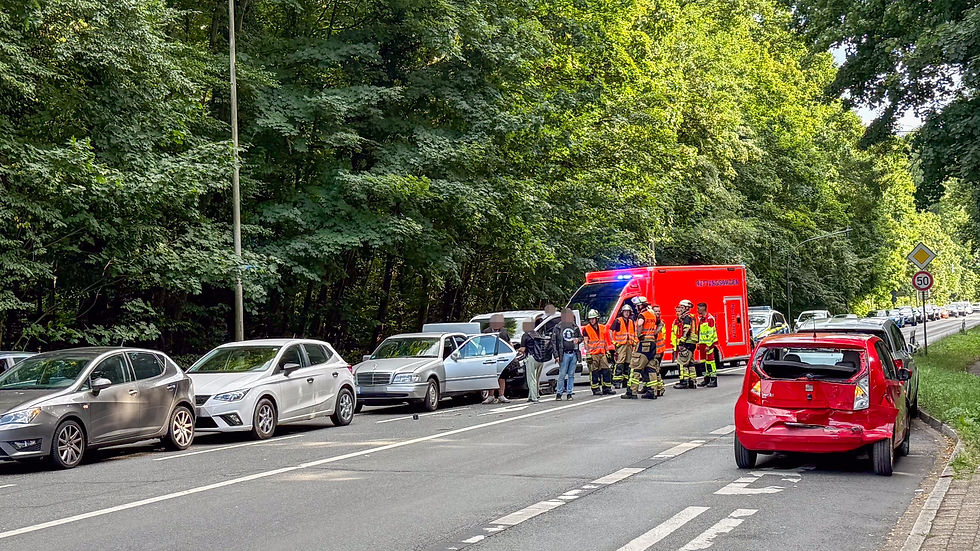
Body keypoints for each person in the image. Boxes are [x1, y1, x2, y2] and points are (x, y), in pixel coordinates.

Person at [622, 297, 664, 399]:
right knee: (651, 368)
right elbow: (661, 324)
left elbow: (640, 324)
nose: (636, 308)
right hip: (652, 344)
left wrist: (639, 334)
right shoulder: (652, 314)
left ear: (641, 305)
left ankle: (632, 391)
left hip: (644, 343)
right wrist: (654, 333)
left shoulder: (642, 315)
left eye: (637, 306)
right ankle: (653, 391)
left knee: (635, 366)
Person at [552, 308, 582, 400]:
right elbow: (554, 342)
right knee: (562, 374)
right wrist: (556, 355)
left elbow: (580, 337)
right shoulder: (558, 327)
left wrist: (579, 340)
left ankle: (569, 393)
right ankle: (559, 393)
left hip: (573, 353)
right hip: (563, 353)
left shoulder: (574, 326)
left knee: (571, 374)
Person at [582, 309, 615, 395]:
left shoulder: (602, 327)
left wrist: (607, 351)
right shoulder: (586, 329)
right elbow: (586, 342)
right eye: (590, 319)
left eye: (593, 318)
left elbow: (605, 340)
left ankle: (607, 388)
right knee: (594, 372)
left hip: (602, 352)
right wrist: (588, 354)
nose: (592, 320)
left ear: (597, 319)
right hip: (593, 354)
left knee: (606, 370)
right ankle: (595, 388)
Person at [482, 313, 512, 404]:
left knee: (502, 376)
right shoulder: (486, 332)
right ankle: (491, 396)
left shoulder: (504, 332)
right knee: (492, 376)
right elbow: (482, 344)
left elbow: (509, 344)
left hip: (502, 357)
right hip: (490, 357)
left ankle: (501, 395)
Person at [519, 320, 549, 402]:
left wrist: (518, 351)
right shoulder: (537, 334)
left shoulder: (525, 335)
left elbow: (523, 349)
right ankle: (533, 395)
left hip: (532, 357)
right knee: (537, 378)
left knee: (531, 378)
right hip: (541, 359)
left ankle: (534, 397)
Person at [608, 304, 636, 388]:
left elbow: (633, 333)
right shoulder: (618, 321)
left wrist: (634, 341)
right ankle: (617, 381)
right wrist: (613, 342)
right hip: (621, 345)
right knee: (620, 363)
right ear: (622, 312)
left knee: (628, 363)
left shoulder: (631, 321)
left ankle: (625, 381)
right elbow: (610, 331)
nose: (626, 313)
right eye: (625, 312)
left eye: (628, 312)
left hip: (629, 345)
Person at [672, 299, 698, 389]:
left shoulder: (687, 317)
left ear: (686, 308)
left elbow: (686, 329)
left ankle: (683, 381)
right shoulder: (692, 317)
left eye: (682, 307)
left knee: (681, 363)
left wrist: (682, 341)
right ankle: (692, 381)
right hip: (692, 342)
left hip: (687, 342)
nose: (681, 309)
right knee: (690, 363)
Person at [696, 302, 719, 387]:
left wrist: (709, 345)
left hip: (708, 345)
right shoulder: (701, 319)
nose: (697, 310)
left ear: (703, 308)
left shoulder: (709, 318)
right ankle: (706, 379)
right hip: (702, 344)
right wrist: (699, 342)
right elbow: (701, 332)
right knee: (703, 362)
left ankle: (713, 379)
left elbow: (710, 334)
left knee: (710, 362)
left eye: (699, 308)